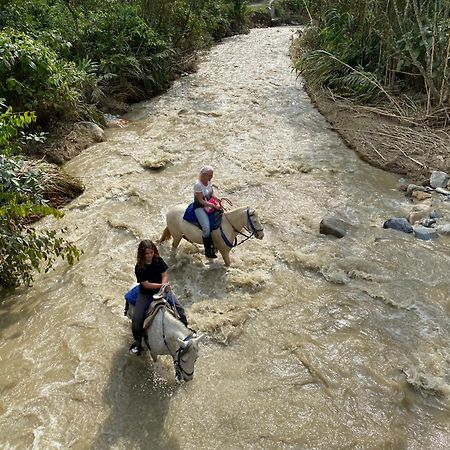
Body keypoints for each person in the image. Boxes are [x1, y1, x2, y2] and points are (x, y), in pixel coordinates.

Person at [130, 240, 188, 355]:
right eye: (147, 254)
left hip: (162, 291)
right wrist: (163, 285)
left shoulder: (158, 261)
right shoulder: (139, 267)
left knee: (180, 308)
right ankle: (138, 342)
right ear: (142, 254)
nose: (149, 255)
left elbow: (164, 274)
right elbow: (146, 284)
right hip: (146, 294)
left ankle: (186, 330)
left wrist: (164, 285)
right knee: (137, 319)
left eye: (151, 252)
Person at [193, 165, 222, 258]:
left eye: (212, 175)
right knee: (206, 228)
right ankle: (208, 250)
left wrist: (218, 199)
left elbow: (211, 193)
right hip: (200, 207)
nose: (211, 177)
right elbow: (201, 200)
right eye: (209, 175)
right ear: (203, 175)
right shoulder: (198, 185)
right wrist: (213, 205)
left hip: (209, 203)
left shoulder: (209, 181)